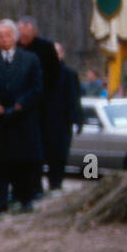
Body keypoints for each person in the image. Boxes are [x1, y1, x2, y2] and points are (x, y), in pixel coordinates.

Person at [0, 20, 43, 215]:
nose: (4, 39)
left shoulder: (30, 59)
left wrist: (20, 105)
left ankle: (25, 198)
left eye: (8, 35)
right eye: (0, 36)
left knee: (23, 162)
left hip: (22, 120)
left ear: (16, 37)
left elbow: (37, 87)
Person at [40, 42, 84, 191]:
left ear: (62, 55)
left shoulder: (70, 74)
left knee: (59, 156)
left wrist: (78, 119)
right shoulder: (40, 71)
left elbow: (74, 98)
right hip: (42, 121)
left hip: (62, 123)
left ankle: (56, 184)